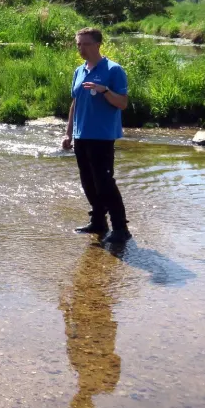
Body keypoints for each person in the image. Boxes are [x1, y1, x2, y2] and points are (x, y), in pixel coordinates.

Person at [62, 28, 131, 246]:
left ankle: (121, 228)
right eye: (78, 44)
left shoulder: (113, 70)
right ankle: (98, 222)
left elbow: (122, 103)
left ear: (98, 44)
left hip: (102, 136)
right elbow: (75, 104)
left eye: (85, 44)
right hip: (81, 135)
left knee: (105, 183)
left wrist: (104, 91)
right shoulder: (79, 71)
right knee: (88, 182)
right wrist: (68, 133)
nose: (81, 48)